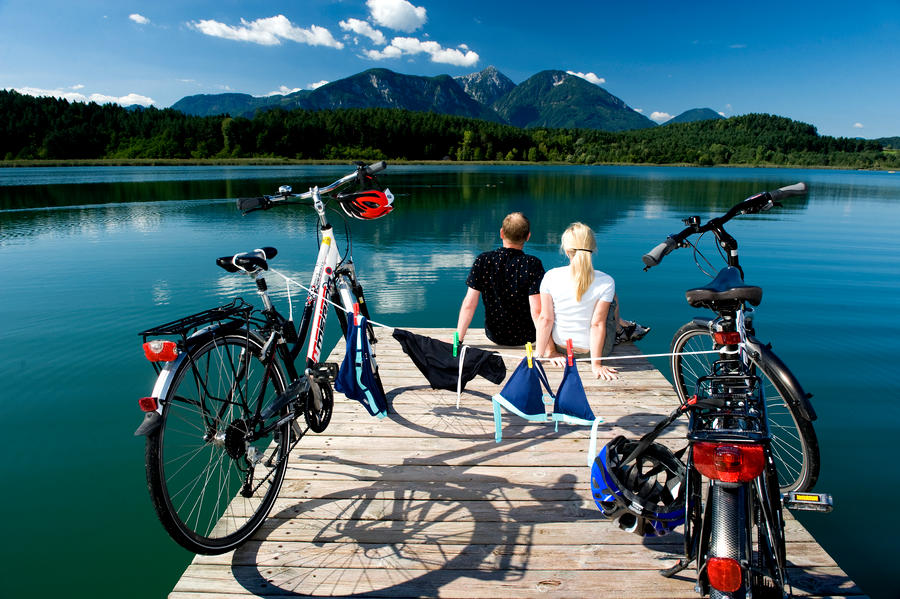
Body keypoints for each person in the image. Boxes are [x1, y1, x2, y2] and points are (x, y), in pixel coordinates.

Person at [535, 222, 621, 381]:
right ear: (593, 249)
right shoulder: (606, 281)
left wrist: (540, 355)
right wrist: (596, 365)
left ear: (567, 251)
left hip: (562, 347)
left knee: (548, 312)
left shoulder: (551, 277)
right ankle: (621, 326)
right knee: (612, 299)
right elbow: (597, 324)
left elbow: (546, 319)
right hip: (596, 351)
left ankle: (622, 325)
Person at [456, 212, 544, 346]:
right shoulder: (532, 264)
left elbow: (469, 304)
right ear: (528, 236)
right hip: (528, 337)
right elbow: (537, 310)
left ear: (501, 233)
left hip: (495, 336)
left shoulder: (483, 260)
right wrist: (547, 347)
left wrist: (458, 340)